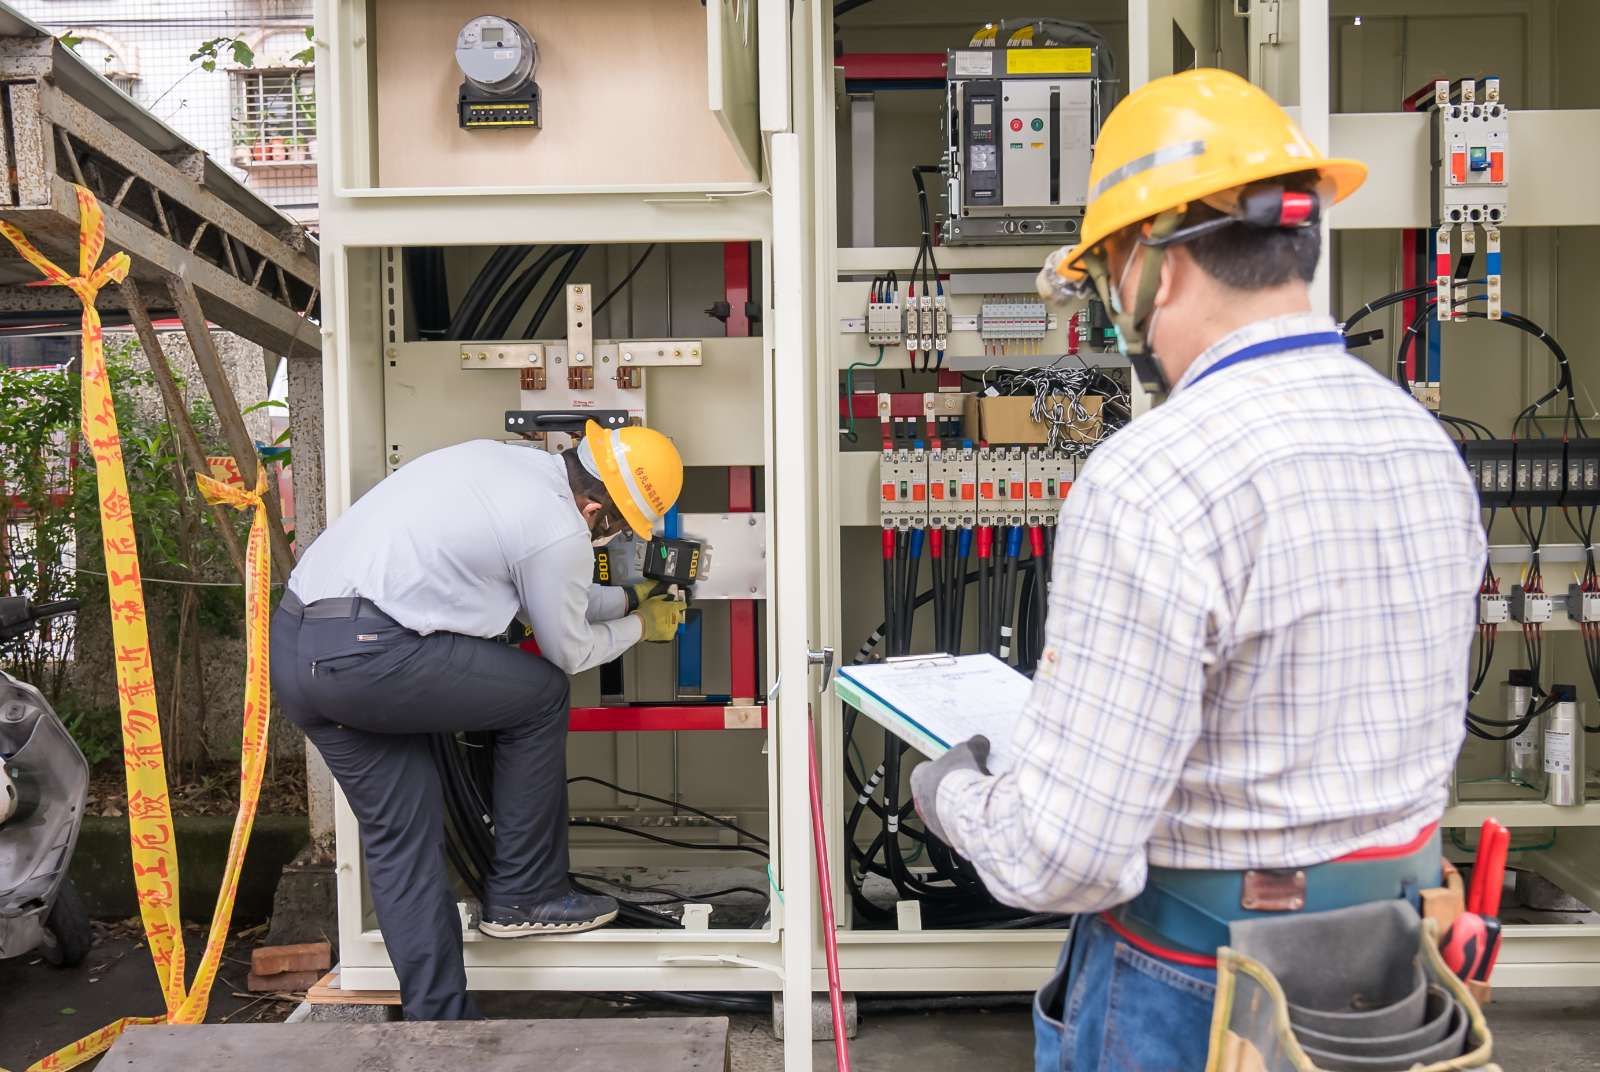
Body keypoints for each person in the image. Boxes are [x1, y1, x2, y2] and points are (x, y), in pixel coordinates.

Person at [911, 69, 1486, 1070]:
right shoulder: (1422, 444)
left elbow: (1066, 856)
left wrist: (949, 790)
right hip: (1398, 973)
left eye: (1101, 276)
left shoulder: (1153, 475)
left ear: (1153, 263)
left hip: (1201, 982)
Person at [270, 420, 687, 1021]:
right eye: (618, 526)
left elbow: (543, 588)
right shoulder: (559, 530)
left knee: (401, 839)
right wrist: (641, 627)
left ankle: (439, 1025)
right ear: (596, 508)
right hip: (370, 653)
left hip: (301, 648)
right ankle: (526, 893)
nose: (611, 536)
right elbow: (567, 650)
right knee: (541, 693)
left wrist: (626, 600)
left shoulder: (504, 464)